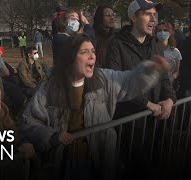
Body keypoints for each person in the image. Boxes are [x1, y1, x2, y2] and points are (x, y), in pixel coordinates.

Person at [21, 33, 170, 180]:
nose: (92, 56)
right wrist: (52, 135)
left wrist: (150, 69)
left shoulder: (104, 80)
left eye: (93, 51)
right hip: (64, 164)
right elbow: (29, 121)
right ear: (70, 58)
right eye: (84, 52)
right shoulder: (49, 88)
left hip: (101, 160)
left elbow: (129, 81)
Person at [105, 0, 176, 119]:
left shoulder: (155, 44)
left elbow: (164, 79)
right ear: (133, 17)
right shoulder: (116, 44)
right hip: (129, 121)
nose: (153, 20)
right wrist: (146, 104)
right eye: (148, 14)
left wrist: (170, 99)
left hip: (155, 123)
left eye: (154, 15)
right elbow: (115, 83)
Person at [155, 22, 182, 91]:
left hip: (170, 88)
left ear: (170, 33)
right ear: (156, 33)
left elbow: (176, 71)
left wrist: (172, 77)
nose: (162, 32)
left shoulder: (175, 52)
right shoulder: (152, 50)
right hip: (155, 88)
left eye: (165, 30)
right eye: (159, 30)